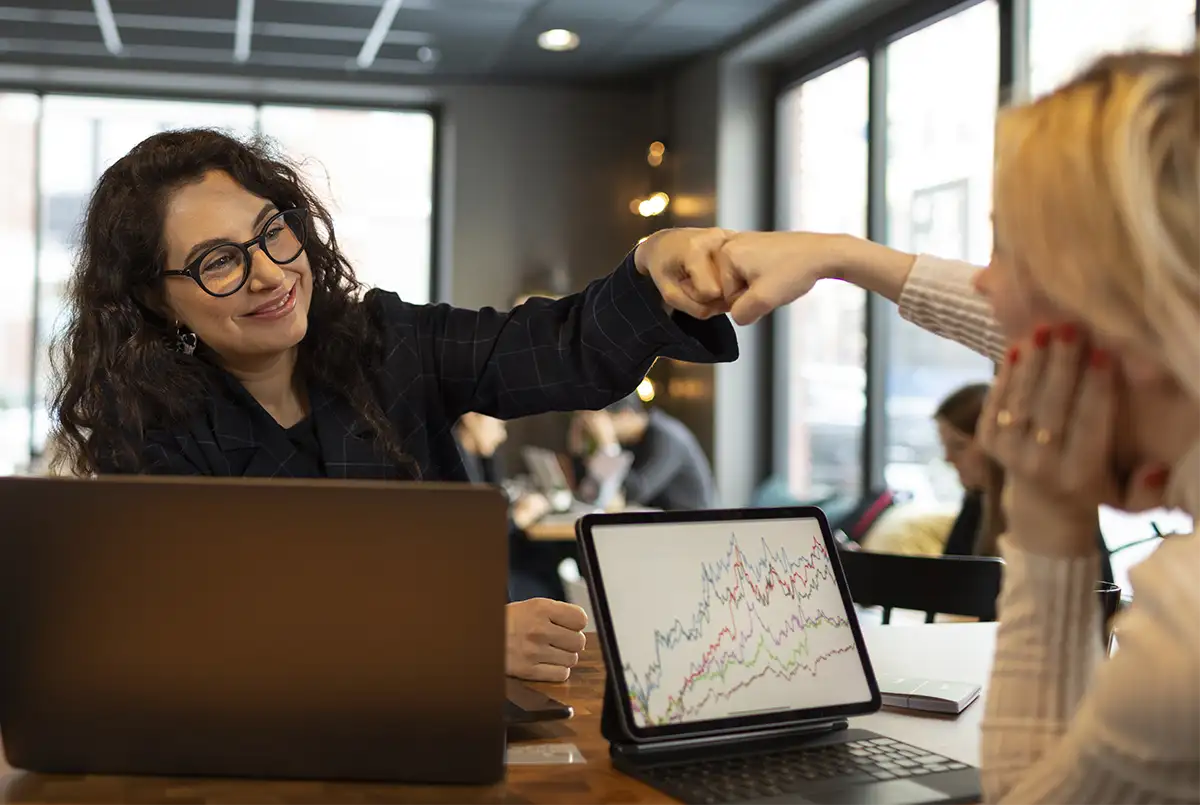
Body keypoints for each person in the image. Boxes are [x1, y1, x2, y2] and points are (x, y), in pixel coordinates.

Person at [50, 128, 739, 684]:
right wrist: (461, 641)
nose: (269, 272)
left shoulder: (389, 342)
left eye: (271, 231)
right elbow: (219, 635)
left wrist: (657, 268)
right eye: (218, 261)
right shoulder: (148, 435)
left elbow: (563, 348)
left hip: (456, 729)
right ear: (152, 297)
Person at [715, 51, 1200, 803]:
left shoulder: (1187, 629)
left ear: (1120, 306)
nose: (983, 280)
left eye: (1008, 250)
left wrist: (1047, 526)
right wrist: (843, 255)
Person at [454, 411, 573, 602]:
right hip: (481, 576)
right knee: (551, 584)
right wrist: (517, 517)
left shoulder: (476, 460)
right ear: (470, 417)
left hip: (495, 566)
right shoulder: (454, 468)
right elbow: (471, 537)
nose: (502, 436)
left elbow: (496, 500)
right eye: (499, 426)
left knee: (549, 561)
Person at [569, 393, 717, 510]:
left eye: (597, 423)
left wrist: (608, 444)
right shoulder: (630, 442)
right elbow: (589, 492)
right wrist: (578, 449)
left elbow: (635, 492)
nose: (594, 430)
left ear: (625, 414)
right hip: (661, 526)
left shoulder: (666, 436)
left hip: (691, 527)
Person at [933, 383, 1004, 557]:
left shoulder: (1025, 512)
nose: (948, 458)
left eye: (959, 445)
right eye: (945, 446)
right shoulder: (976, 500)